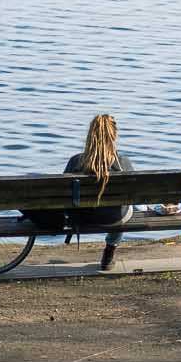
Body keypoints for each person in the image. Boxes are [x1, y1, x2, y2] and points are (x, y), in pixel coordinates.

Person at [65, 113, 134, 271]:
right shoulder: (122, 162)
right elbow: (132, 195)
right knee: (129, 207)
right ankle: (109, 251)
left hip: (81, 217)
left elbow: (64, 196)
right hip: (113, 218)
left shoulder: (76, 161)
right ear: (114, 136)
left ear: (90, 135)